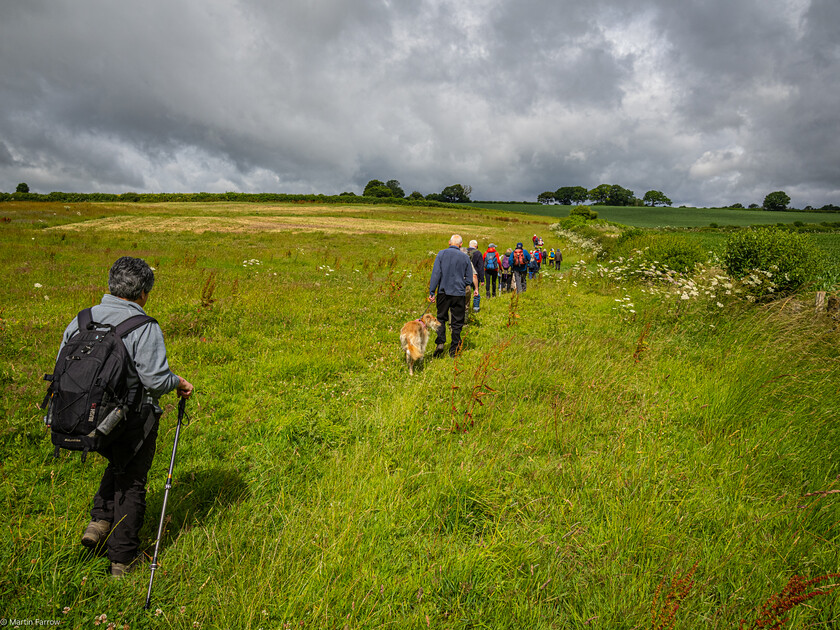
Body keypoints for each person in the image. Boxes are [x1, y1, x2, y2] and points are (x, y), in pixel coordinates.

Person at [56, 257, 194, 577]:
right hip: (131, 419)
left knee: (116, 463)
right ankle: (122, 559)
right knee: (132, 481)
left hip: (84, 418)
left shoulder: (81, 319)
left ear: (111, 284)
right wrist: (180, 382)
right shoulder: (143, 326)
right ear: (143, 293)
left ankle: (98, 523)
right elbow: (156, 380)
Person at [429, 235, 476, 357]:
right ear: (461, 244)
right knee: (457, 322)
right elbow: (469, 278)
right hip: (458, 293)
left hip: (443, 292)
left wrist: (432, 291)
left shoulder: (441, 254)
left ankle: (440, 342)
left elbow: (436, 274)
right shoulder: (465, 257)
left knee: (441, 318)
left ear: (449, 242)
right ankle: (454, 349)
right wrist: (462, 284)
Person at [467, 240, 485, 312]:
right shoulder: (478, 253)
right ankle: (476, 308)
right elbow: (481, 267)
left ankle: (466, 308)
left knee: (466, 292)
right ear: (476, 245)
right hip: (475, 276)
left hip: (465, 276)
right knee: (476, 291)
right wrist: (482, 279)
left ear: (469, 245)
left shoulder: (464, 252)